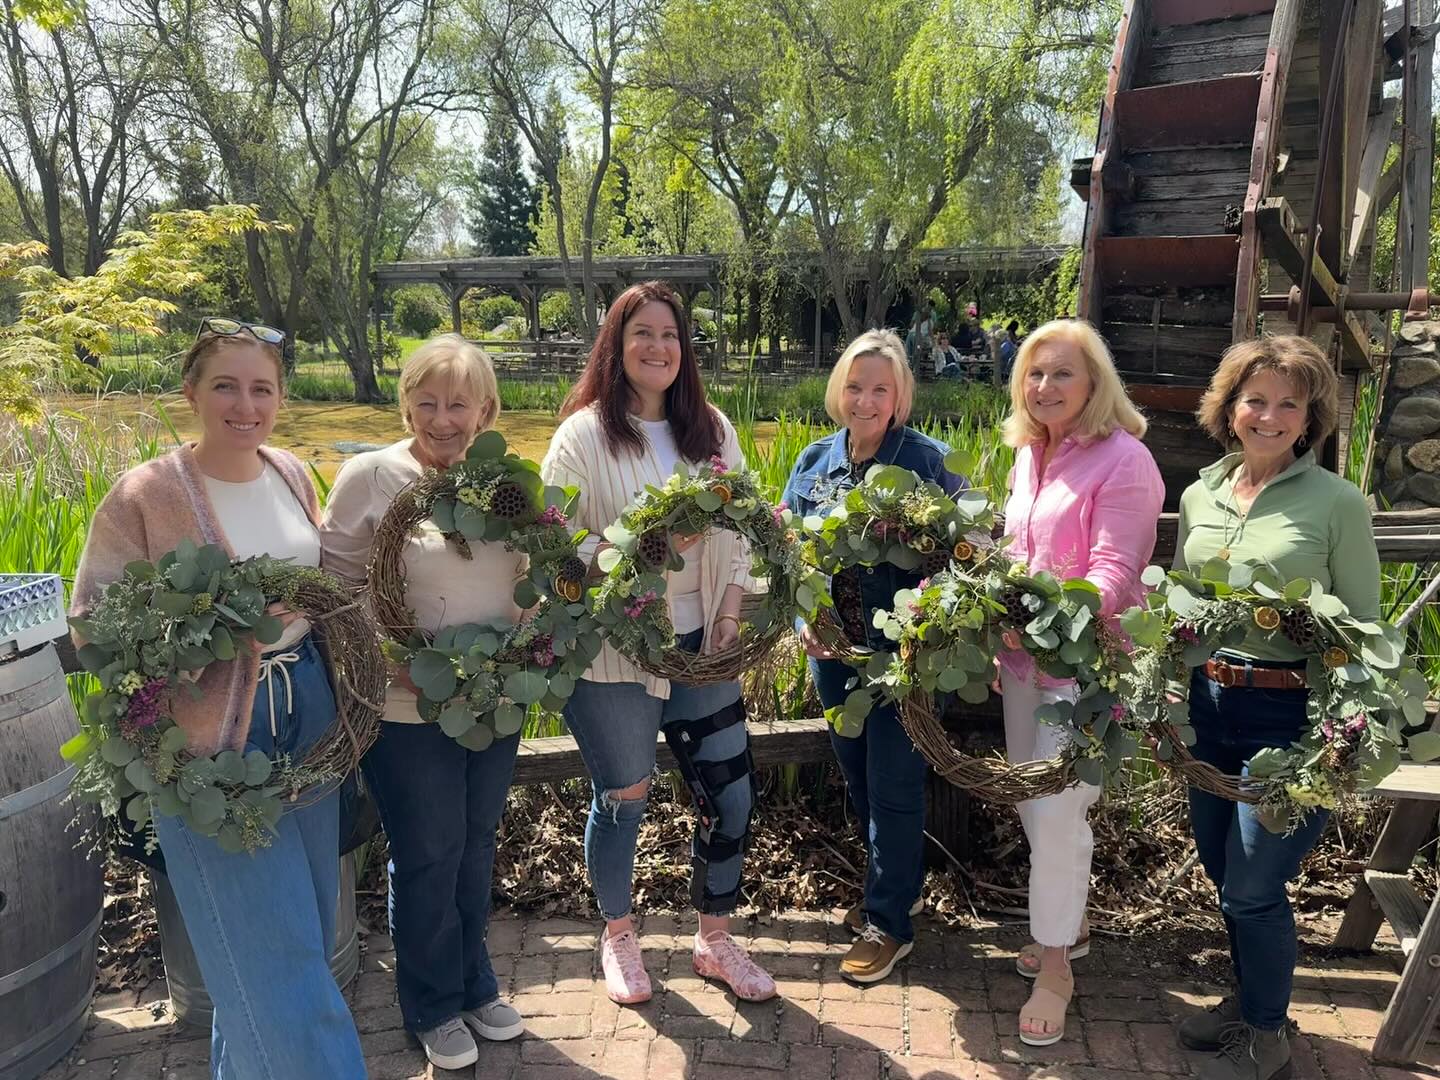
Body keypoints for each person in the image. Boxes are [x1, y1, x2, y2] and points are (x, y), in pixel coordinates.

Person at [71, 319, 367, 1080]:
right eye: (226, 386)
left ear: (281, 397)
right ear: (191, 392)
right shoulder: (145, 495)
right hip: (210, 742)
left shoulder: (291, 472)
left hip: (308, 712)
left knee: (294, 931)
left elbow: (319, 588)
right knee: (279, 958)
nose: (246, 405)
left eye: (262, 388)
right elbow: (96, 624)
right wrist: (221, 630)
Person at [540, 281, 776, 1006]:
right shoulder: (583, 437)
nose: (658, 346)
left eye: (671, 335)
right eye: (641, 332)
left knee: (730, 794)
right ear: (615, 345)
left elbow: (743, 529)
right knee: (625, 796)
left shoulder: (712, 430)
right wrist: (640, 552)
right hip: (613, 651)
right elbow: (553, 543)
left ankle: (713, 937)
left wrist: (729, 614)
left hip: (702, 642)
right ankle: (618, 934)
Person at [319, 335, 527, 1071]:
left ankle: (476, 985)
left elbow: (531, 574)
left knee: (475, 844)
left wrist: (532, 641)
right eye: (427, 402)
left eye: (458, 404)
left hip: (494, 701)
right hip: (406, 708)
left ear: (485, 411)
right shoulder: (371, 477)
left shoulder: (504, 481)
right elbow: (335, 588)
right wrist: (390, 661)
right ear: (406, 403)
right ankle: (432, 1005)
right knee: (429, 852)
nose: (443, 419)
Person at [1173, 336, 1378, 1080]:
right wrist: (1167, 693)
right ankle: (1251, 1000)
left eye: (1289, 403)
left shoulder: (1337, 502)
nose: (1270, 415)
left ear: (1310, 416)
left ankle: (1266, 1035)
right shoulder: (1201, 494)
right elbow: (1181, 602)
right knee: (1221, 868)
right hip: (1210, 707)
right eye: (1255, 399)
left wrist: (1339, 736)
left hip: (1291, 718)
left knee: (1255, 885)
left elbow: (1363, 626)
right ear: (1229, 408)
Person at [781, 330, 966, 984]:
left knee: (894, 784)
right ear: (839, 389)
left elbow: (967, 557)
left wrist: (926, 629)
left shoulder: (927, 463)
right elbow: (790, 560)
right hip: (836, 659)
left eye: (879, 389)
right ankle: (897, 890)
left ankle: (889, 924)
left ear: (899, 396)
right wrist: (804, 619)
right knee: (859, 778)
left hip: (908, 662)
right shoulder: (812, 462)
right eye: (855, 386)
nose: (865, 400)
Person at [998, 319, 1164, 1047]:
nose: (1045, 386)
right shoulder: (1028, 454)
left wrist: (1050, 622)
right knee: (1035, 804)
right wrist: (996, 615)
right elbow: (1014, 551)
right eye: (1034, 374)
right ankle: (1073, 922)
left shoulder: (1125, 460)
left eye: (1062, 372)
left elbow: (1115, 572)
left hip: (1087, 671)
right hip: (1019, 664)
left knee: (1059, 811)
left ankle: (1056, 964)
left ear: (1095, 381)